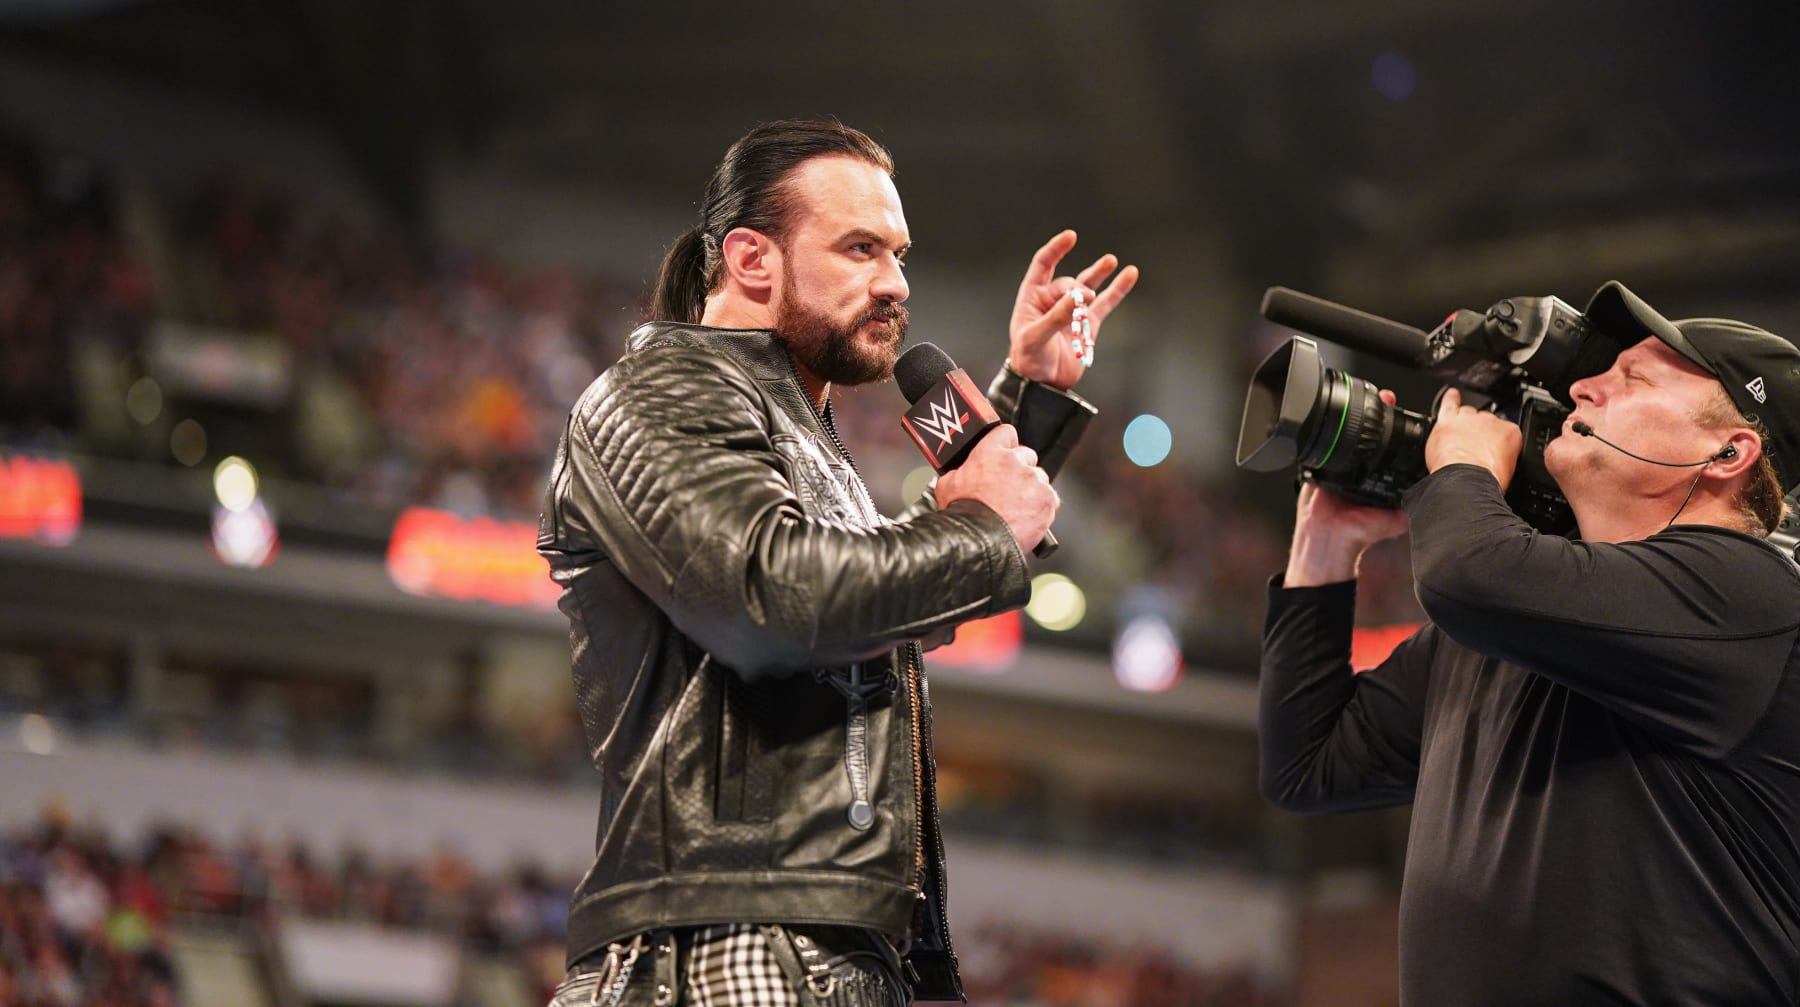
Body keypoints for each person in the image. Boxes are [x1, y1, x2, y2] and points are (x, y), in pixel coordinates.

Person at [537, 118, 1137, 1007]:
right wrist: (979, 526)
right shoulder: (660, 390)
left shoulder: (796, 436)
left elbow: (876, 596)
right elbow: (775, 600)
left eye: (898, 254)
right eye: (860, 249)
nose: (895, 283)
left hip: (820, 944)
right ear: (751, 259)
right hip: (726, 945)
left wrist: (1026, 400)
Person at [1259, 280, 1800, 1005]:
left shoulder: (1753, 593)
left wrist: (1464, 467)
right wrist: (1324, 552)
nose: (1583, 385)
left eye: (1631, 377)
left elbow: (1466, 572)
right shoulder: (1522, 610)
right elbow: (1310, 764)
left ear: (1729, 451)